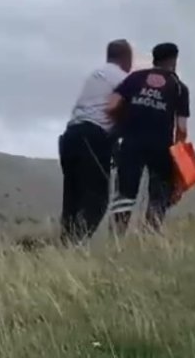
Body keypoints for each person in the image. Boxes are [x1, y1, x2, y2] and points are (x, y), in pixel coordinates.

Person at [106, 42, 190, 234]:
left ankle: (117, 238)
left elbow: (111, 105)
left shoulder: (135, 78)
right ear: (174, 60)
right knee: (159, 195)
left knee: (125, 193)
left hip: (131, 143)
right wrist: (179, 162)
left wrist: (120, 125)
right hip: (161, 147)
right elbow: (181, 129)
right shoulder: (179, 88)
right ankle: (151, 235)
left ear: (154, 59)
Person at [57, 39, 133, 245]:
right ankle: (75, 245)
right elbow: (128, 112)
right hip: (92, 136)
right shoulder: (124, 79)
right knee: (96, 199)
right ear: (126, 58)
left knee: (73, 199)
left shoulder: (95, 75)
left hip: (70, 136)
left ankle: (65, 246)